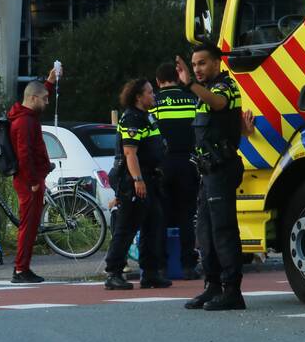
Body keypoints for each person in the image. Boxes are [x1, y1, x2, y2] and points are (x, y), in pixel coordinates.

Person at [175, 44, 245, 311]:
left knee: (223, 230)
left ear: (217, 63)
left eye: (202, 63)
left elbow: (218, 103)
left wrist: (190, 84)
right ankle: (213, 286)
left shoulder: (226, 86)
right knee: (204, 231)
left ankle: (232, 291)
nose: (197, 69)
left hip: (222, 169)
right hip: (208, 171)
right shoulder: (203, 91)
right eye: (194, 65)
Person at [104, 79, 171, 291]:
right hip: (133, 180)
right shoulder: (132, 118)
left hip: (150, 178)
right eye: (150, 92)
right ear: (138, 97)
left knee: (153, 225)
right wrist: (137, 180)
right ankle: (113, 273)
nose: (154, 95)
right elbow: (129, 153)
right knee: (126, 227)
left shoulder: (146, 116)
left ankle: (150, 273)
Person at [9, 67, 59, 284]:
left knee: (30, 225)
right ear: (33, 99)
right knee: (28, 226)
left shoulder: (26, 116)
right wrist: (32, 182)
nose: (47, 102)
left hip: (32, 179)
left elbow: (39, 93)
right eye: (45, 99)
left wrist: (49, 82)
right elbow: (24, 154)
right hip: (29, 181)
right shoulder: (24, 122)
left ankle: (23, 268)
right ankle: (21, 270)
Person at [152, 62, 200, 280]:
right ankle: (188, 265)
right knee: (186, 216)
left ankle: (161, 267)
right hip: (188, 162)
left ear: (158, 81)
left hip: (162, 164)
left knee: (160, 216)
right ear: (177, 78)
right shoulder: (192, 99)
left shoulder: (154, 103)